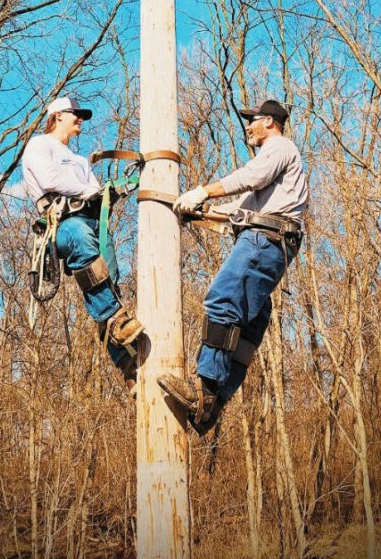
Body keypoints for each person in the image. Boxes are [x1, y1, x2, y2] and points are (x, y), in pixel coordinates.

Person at [157, 99, 308, 433]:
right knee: (248, 326)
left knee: (223, 300)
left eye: (252, 121)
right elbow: (238, 207)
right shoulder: (276, 179)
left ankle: (205, 388)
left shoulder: (279, 147)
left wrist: (202, 191)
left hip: (263, 241)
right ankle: (214, 404)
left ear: (270, 121)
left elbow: (251, 176)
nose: (248, 127)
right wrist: (197, 210)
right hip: (273, 244)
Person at [22, 95, 143, 393]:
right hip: (62, 226)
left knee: (108, 283)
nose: (80, 119)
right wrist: (92, 190)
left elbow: (95, 194)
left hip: (93, 224)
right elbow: (50, 179)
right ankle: (116, 322)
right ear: (58, 116)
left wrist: (107, 193)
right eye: (75, 114)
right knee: (80, 237)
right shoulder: (39, 145)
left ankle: (128, 364)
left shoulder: (78, 160)